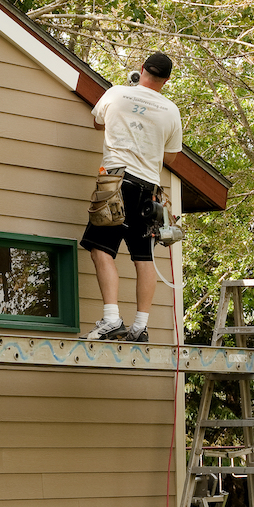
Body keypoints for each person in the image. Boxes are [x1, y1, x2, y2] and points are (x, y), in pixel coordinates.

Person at [80, 52, 182, 342]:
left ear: (142, 70)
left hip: (116, 182)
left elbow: (97, 123)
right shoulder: (171, 111)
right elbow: (172, 158)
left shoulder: (117, 93)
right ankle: (140, 326)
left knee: (100, 248)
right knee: (143, 257)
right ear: (167, 80)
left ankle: (111, 320)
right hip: (149, 191)